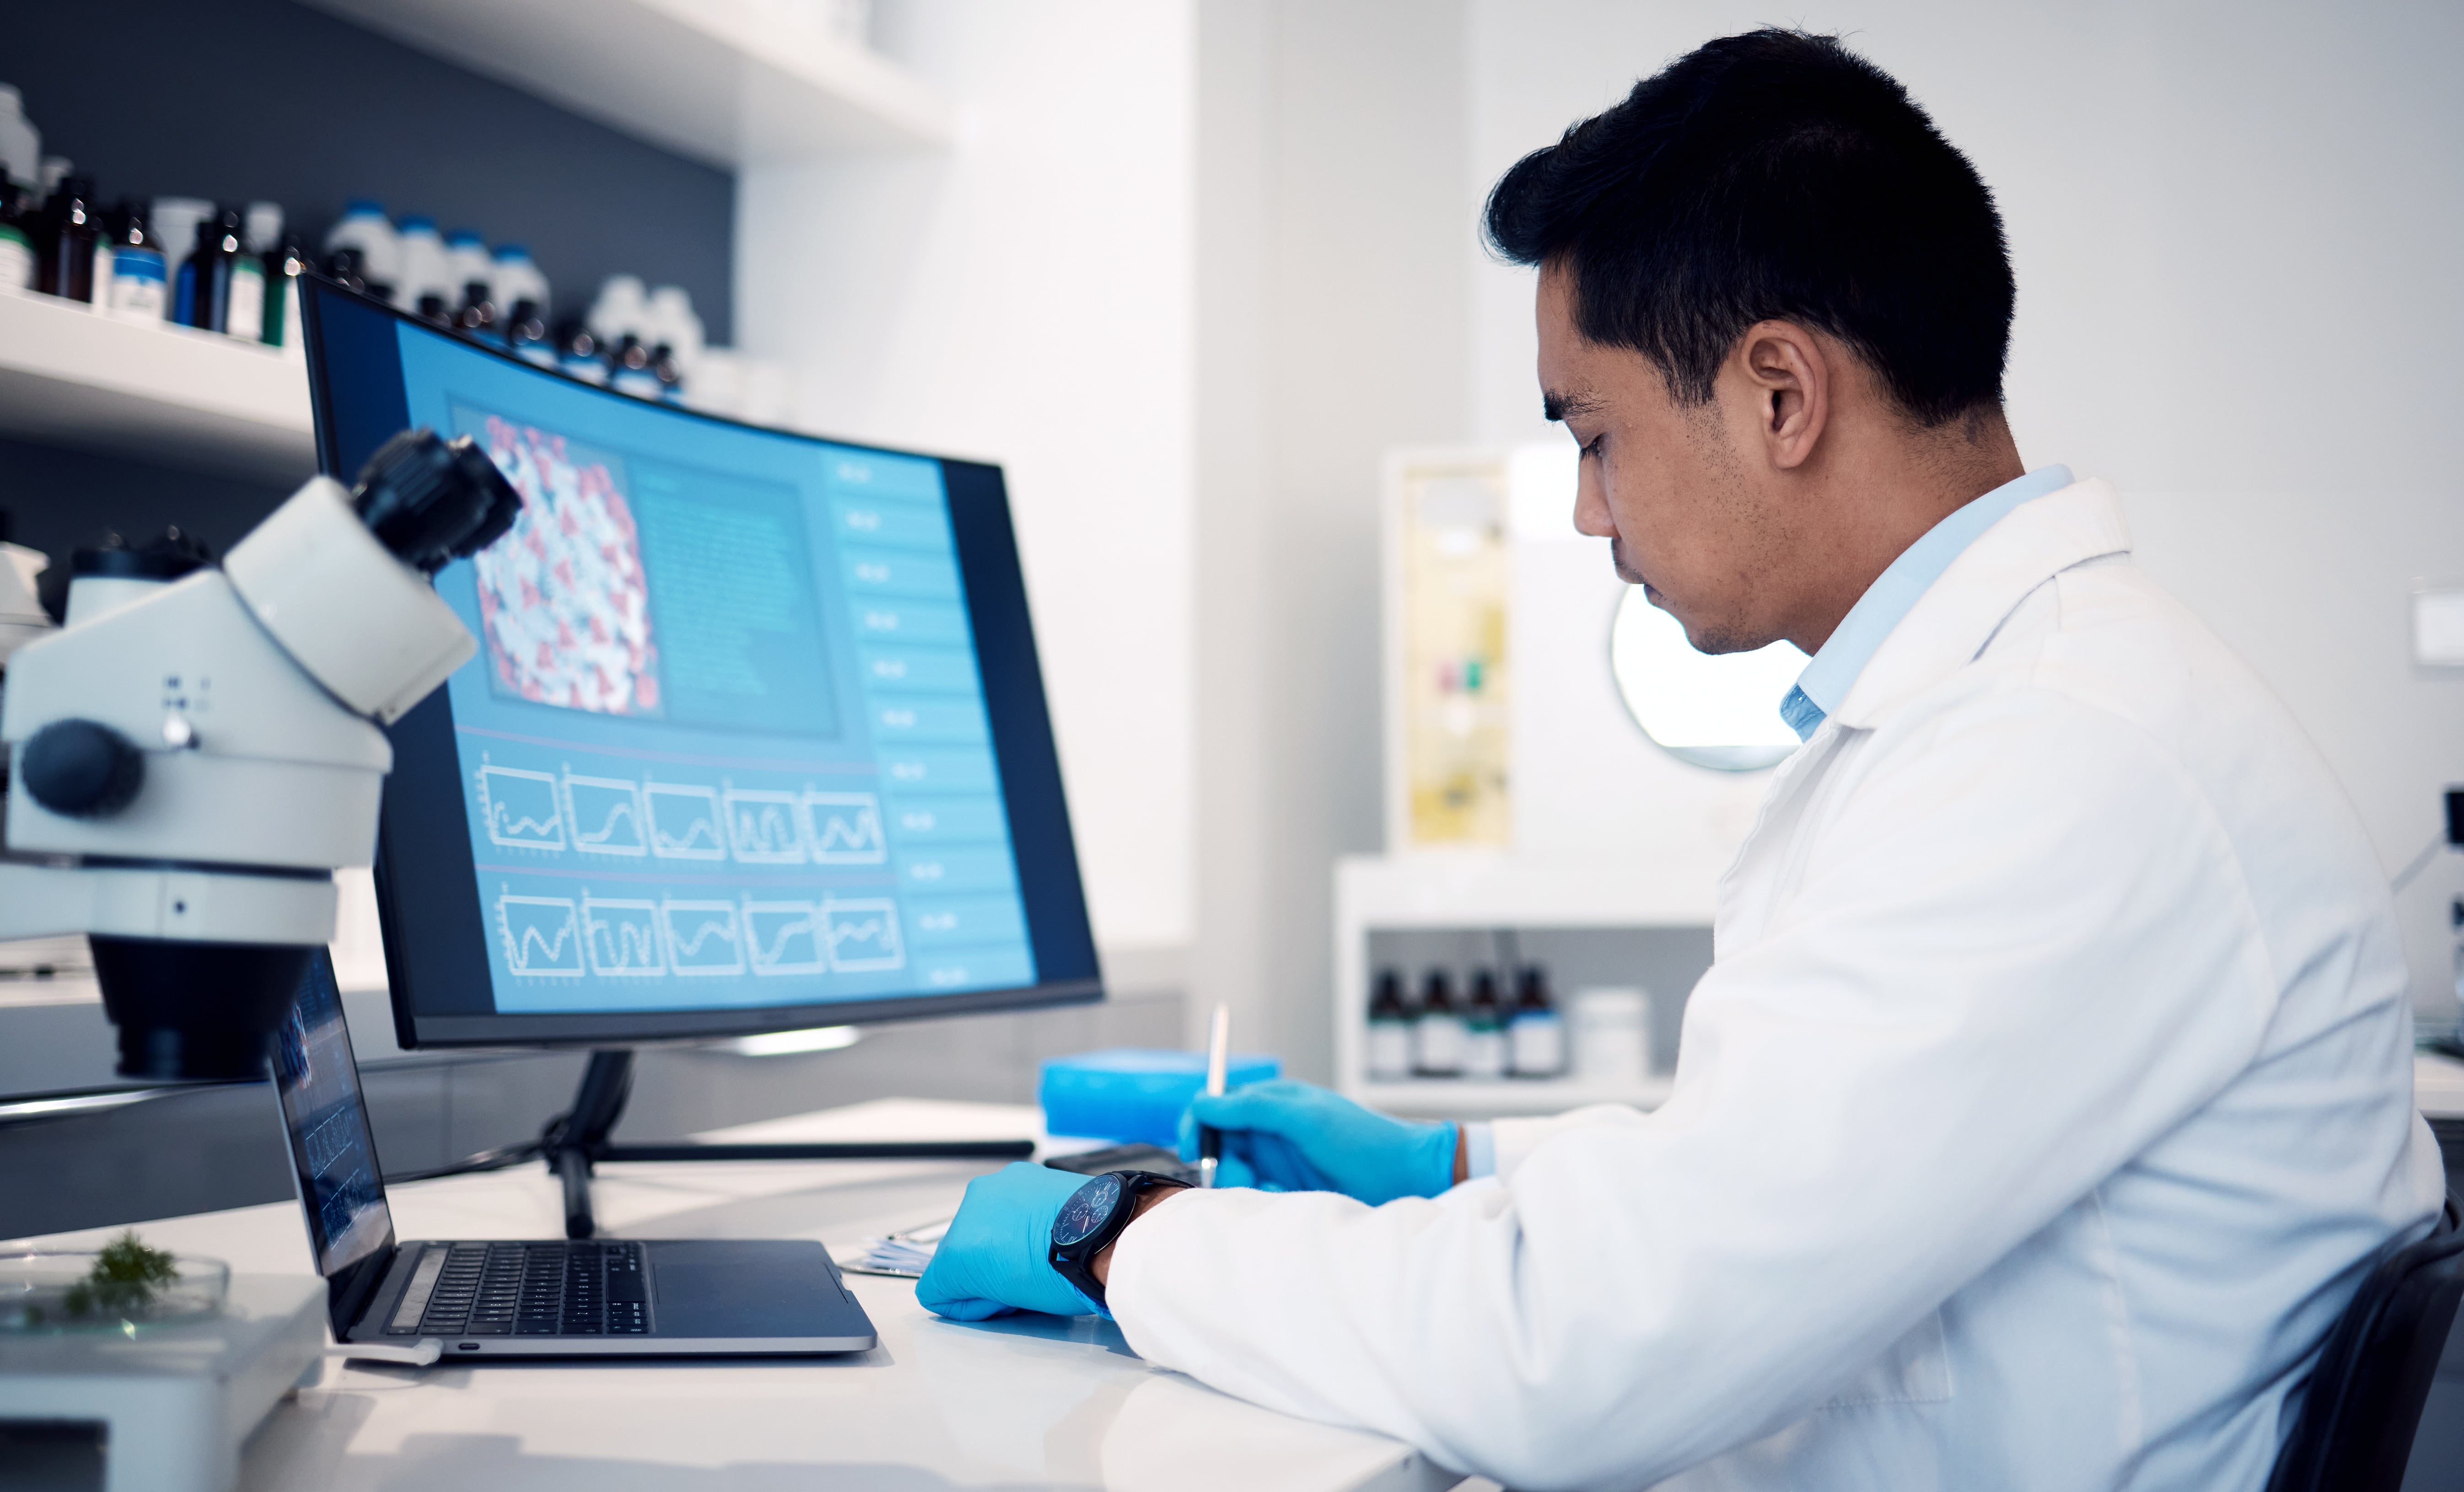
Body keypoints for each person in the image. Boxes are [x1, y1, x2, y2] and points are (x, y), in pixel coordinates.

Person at [917, 27, 2442, 1490]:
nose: (1589, 514)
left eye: (1592, 435)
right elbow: (1781, 1183)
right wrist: (1450, 1166)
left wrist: (1116, 1238)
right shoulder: (2020, 709)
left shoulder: (2060, 756)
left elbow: (1577, 1355)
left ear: (1779, 395)